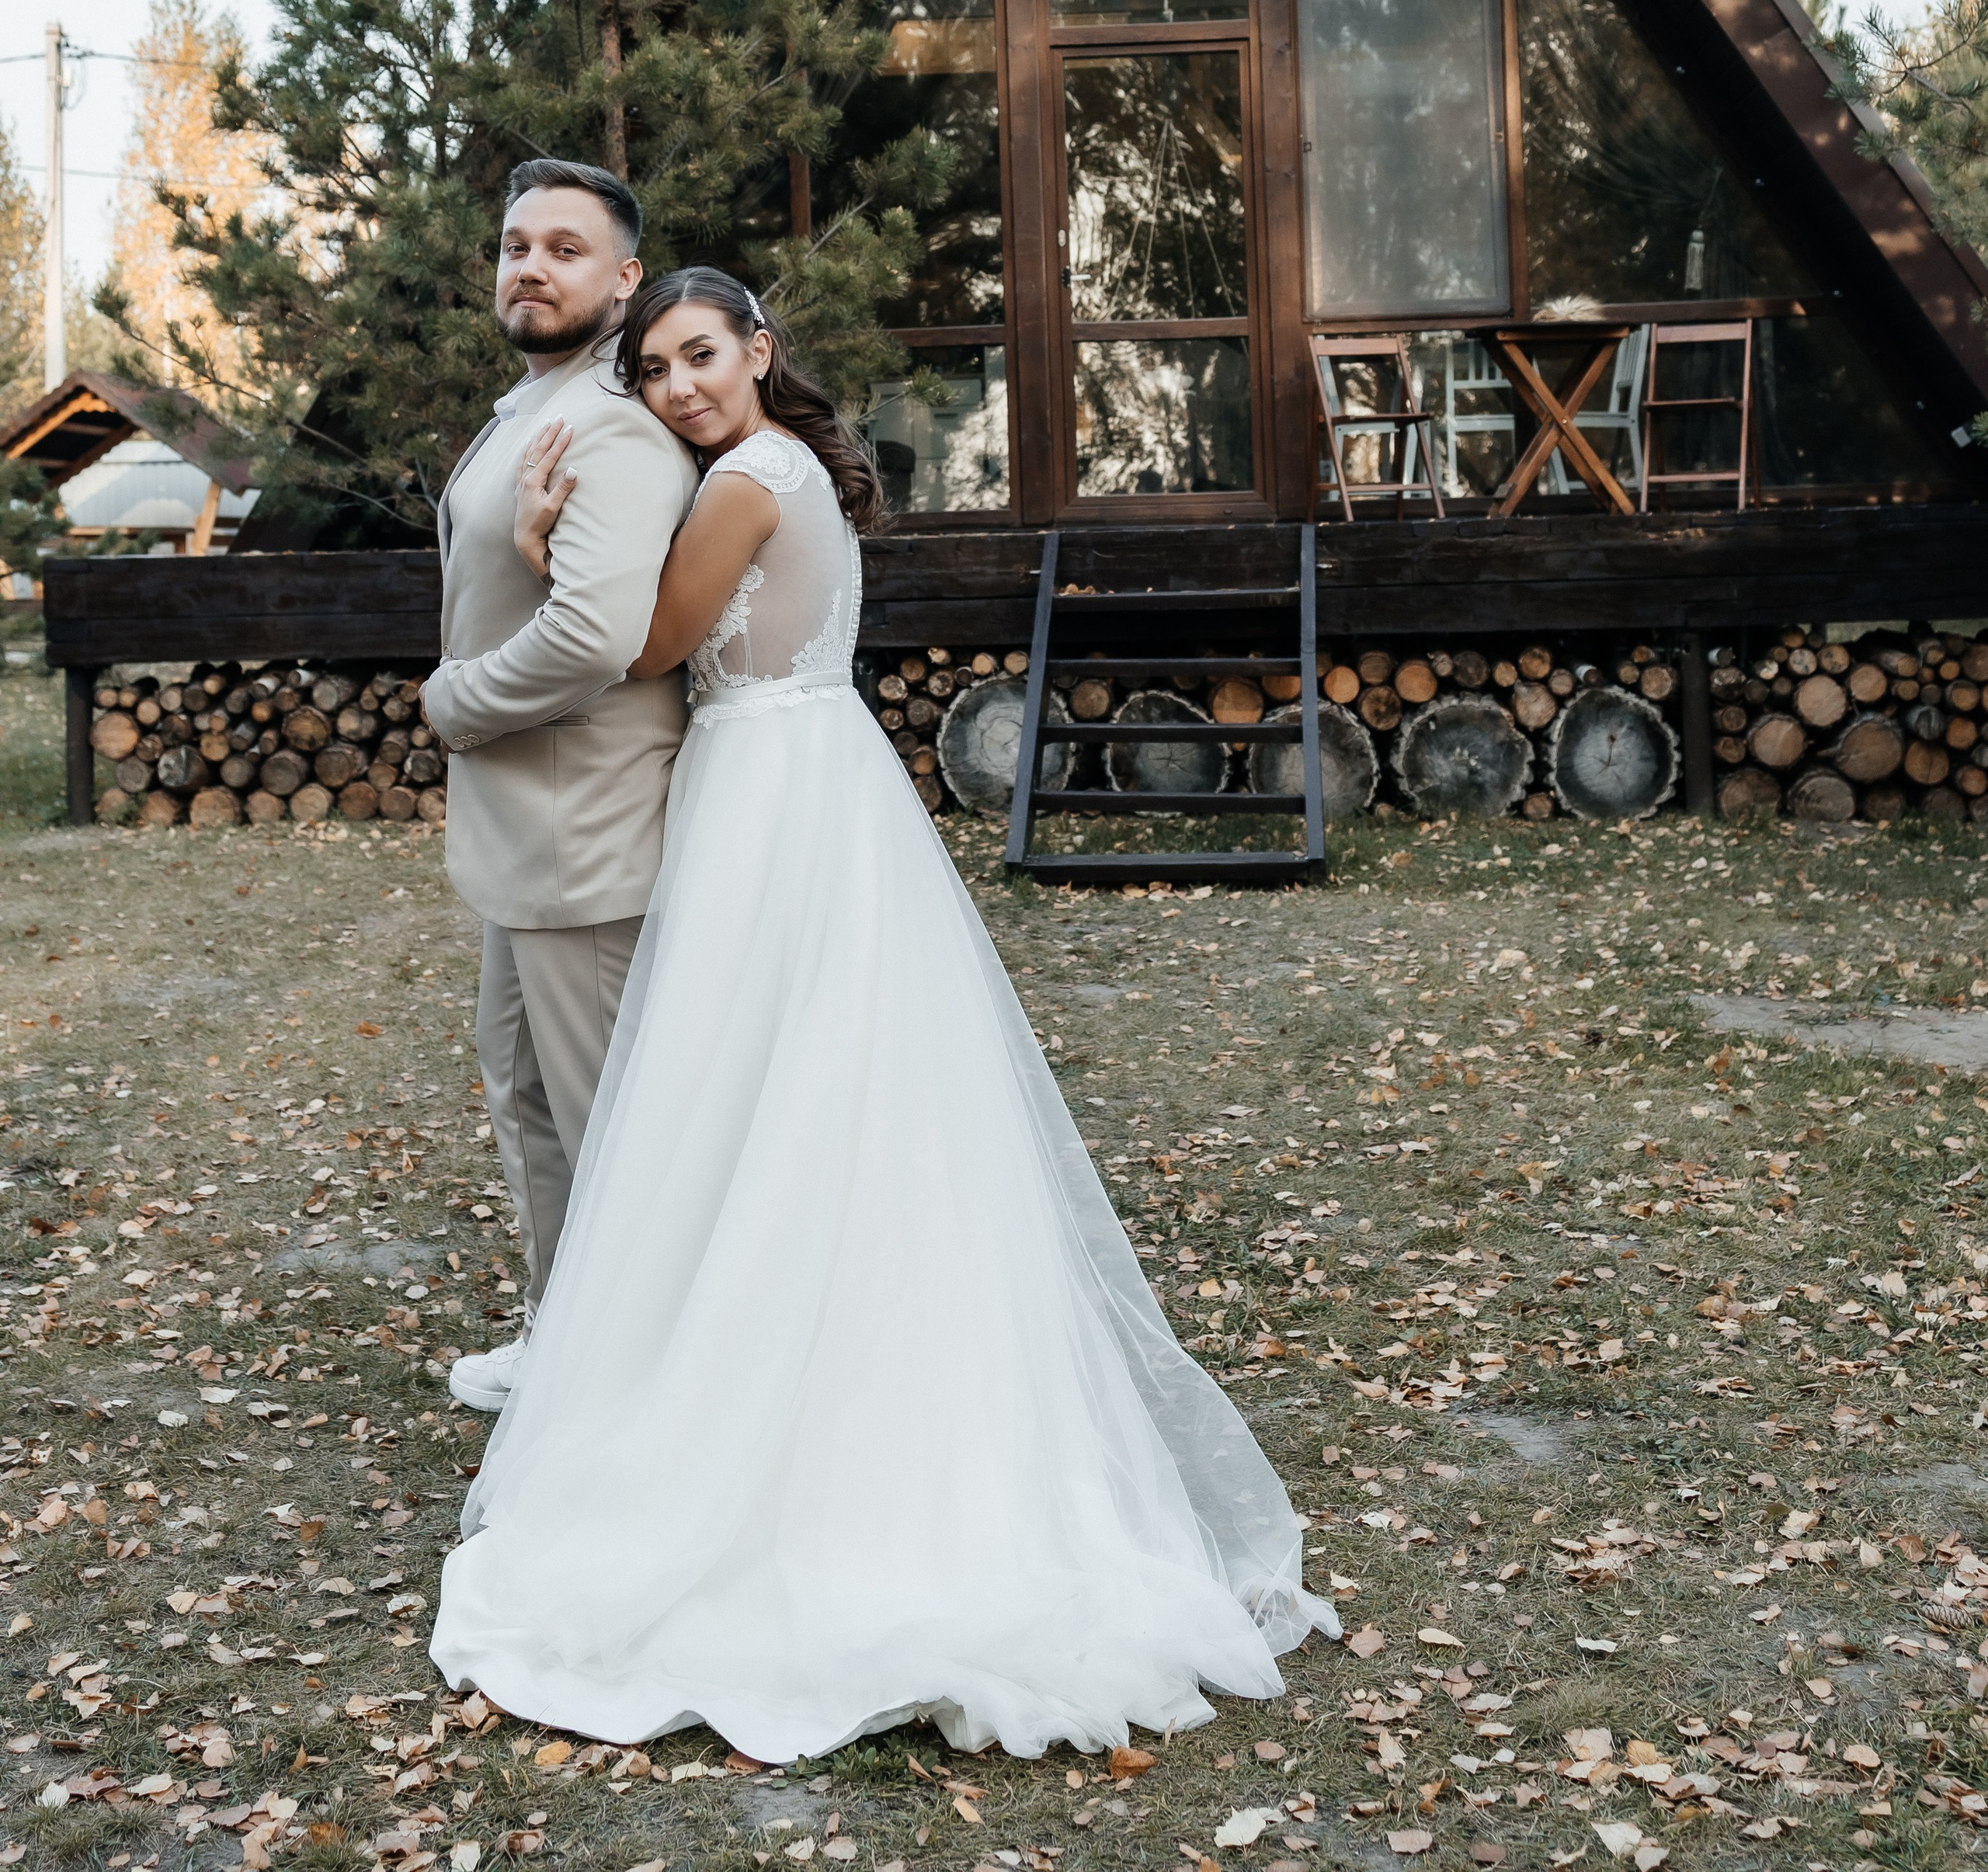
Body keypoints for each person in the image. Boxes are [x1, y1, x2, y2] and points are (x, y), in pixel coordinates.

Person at [429, 264, 1336, 1762]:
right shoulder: (788, 467)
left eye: (700, 356)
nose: (678, 388)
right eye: (653, 370)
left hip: (769, 793)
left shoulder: (747, 483)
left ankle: (771, 1421)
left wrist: (536, 545)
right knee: (826, 1085)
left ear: (759, 350)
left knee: (759, 1082)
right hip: (814, 779)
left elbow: (643, 645)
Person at [421, 160, 697, 1413]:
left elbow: (596, 635)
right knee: (526, 1092)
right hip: (525, 838)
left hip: (582, 834)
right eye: (516, 244)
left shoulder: (613, 425)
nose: (530, 266)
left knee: (603, 1125)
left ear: (625, 280)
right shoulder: (539, 403)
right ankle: (565, 1338)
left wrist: (453, 703)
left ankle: (634, 1387)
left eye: (565, 249)